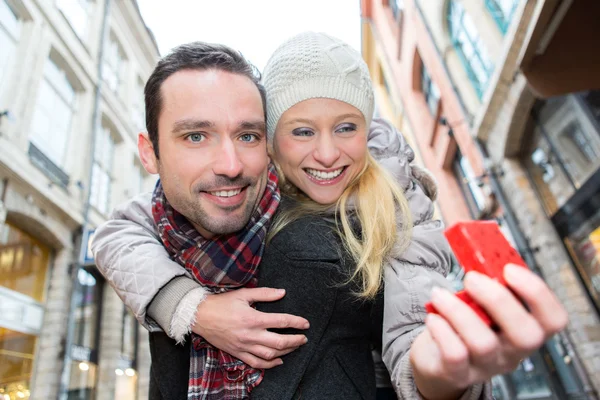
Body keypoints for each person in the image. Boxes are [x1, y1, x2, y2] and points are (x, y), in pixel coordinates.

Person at [92, 32, 568, 400]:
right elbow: (114, 235)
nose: (325, 153)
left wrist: (440, 368)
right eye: (196, 136)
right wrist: (193, 307)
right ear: (149, 153)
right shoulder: (189, 206)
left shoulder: (386, 204)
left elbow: (412, 328)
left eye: (346, 127)